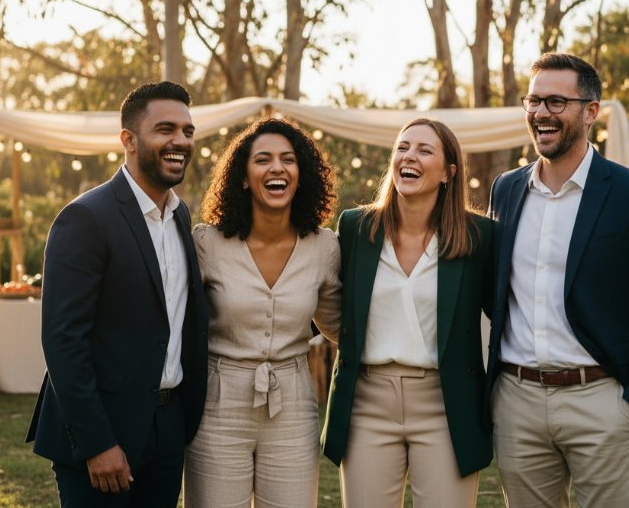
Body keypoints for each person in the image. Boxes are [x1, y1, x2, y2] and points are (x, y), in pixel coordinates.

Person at [485, 52, 629, 507]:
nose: (540, 113)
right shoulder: (506, 189)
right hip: (517, 402)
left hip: (602, 401)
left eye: (556, 102)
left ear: (590, 111)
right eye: (533, 101)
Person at [25, 82, 210, 508]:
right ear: (128, 139)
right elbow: (63, 341)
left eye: (187, 131)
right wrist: (96, 442)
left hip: (168, 426)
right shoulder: (85, 218)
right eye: (165, 129)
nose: (180, 141)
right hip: (104, 433)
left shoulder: (180, 215)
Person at [322, 118, 492, 508]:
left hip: (446, 404)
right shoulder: (354, 228)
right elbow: (327, 300)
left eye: (424, 150)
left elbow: (504, 315)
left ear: (449, 173)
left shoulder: (479, 236)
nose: (408, 157)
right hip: (368, 401)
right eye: (402, 147)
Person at [184, 117, 340, 508]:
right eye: (263, 160)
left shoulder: (325, 247)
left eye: (288, 159)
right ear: (242, 177)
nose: (277, 168)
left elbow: (339, 325)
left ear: (301, 175)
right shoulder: (207, 242)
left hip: (294, 404)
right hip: (217, 407)